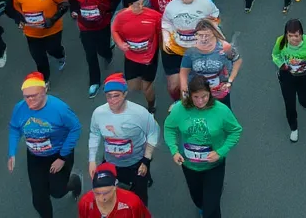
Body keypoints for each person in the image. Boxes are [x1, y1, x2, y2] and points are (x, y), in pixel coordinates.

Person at [164, 75, 242, 218]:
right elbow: (169, 128)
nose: (200, 101)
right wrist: (174, 150)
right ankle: (203, 207)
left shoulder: (221, 110)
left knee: (211, 208)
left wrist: (220, 152)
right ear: (190, 96)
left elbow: (235, 131)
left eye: (204, 96)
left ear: (210, 93)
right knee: (198, 198)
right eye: (196, 97)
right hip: (189, 165)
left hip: (214, 166)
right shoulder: (180, 109)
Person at [8, 71, 83, 218]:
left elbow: (75, 129)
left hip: (58, 154)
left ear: (44, 91)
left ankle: (74, 182)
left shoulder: (60, 109)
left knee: (57, 191)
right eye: (26, 97)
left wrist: (62, 158)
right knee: (39, 198)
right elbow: (14, 128)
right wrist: (12, 152)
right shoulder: (20, 108)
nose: (29, 101)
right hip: (35, 156)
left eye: (33, 96)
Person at [86, 72, 159, 207]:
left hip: (136, 163)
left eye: (116, 96)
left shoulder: (139, 113)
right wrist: (92, 160)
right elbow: (94, 134)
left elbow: (154, 132)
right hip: (111, 162)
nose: (113, 100)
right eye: (109, 96)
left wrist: (146, 160)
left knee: (140, 201)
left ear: (125, 94)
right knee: (108, 196)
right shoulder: (99, 113)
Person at [160, 0, 219, 103]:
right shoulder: (171, 6)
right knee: (174, 86)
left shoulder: (205, 3)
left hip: (197, 50)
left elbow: (215, 17)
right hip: (177, 49)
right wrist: (167, 39)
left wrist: (209, 35)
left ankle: (200, 105)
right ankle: (178, 102)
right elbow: (165, 23)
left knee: (199, 83)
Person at [69, 0, 119, 97]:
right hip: (84, 26)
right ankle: (94, 82)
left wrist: (107, 12)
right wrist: (74, 11)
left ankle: (108, 53)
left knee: (102, 49)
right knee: (90, 54)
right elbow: (72, 1)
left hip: (102, 24)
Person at [13, 0, 70, 78]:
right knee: (38, 58)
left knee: (53, 50)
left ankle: (60, 54)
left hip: (52, 29)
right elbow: (16, 8)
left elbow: (64, 4)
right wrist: (20, 20)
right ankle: (45, 79)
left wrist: (52, 20)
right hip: (31, 31)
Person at [271, 19, 306, 143]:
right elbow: (275, 55)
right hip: (287, 75)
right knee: (289, 103)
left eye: (296, 36)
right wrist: (281, 64)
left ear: (301, 34)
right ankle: (294, 128)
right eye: (290, 36)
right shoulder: (281, 41)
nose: (293, 39)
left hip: (304, 75)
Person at [111, 0, 161, 113]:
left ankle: (151, 107)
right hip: (131, 57)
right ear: (129, 5)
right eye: (137, 4)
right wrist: (120, 44)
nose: (141, 6)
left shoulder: (153, 15)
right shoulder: (121, 17)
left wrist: (163, 47)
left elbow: (161, 30)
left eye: (142, 3)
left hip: (149, 57)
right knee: (133, 87)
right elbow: (115, 30)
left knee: (146, 87)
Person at [179, 19, 240, 109]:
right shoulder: (191, 51)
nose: (204, 38)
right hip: (199, 91)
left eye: (207, 35)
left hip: (219, 90)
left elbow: (237, 61)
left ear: (213, 33)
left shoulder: (224, 46)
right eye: (200, 35)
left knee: (223, 114)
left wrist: (230, 81)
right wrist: (184, 89)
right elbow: (184, 71)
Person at [77, 162, 152, 218]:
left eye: (106, 193)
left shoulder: (132, 202)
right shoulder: (85, 202)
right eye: (97, 193)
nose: (101, 198)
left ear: (115, 188)